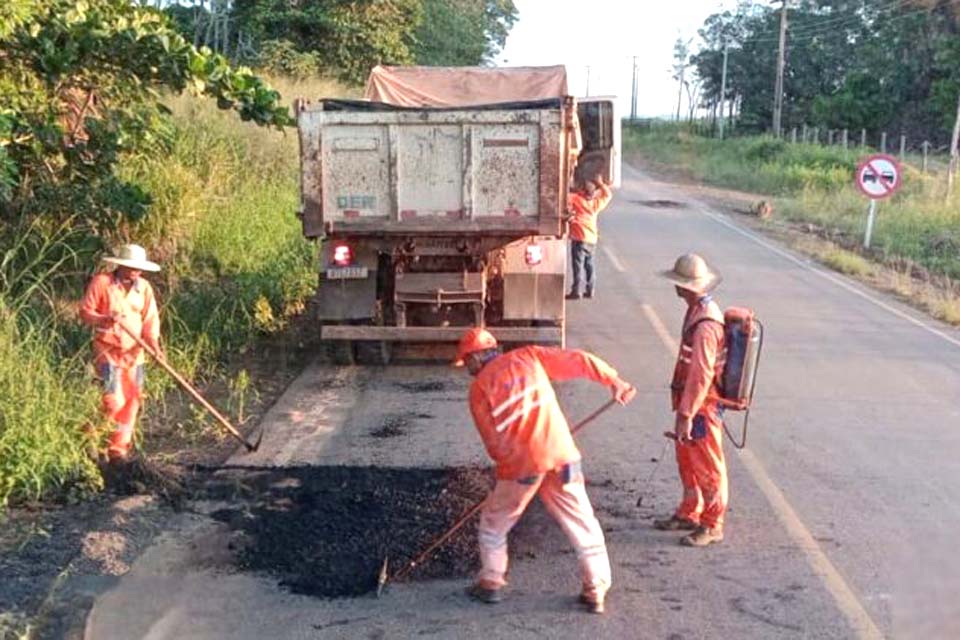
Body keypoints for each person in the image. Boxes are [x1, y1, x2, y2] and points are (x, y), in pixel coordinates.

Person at [454, 328, 635, 614]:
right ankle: (596, 590)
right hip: (562, 455)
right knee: (582, 522)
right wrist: (614, 380)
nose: (467, 368)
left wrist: (507, 474)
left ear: (476, 356)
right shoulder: (528, 357)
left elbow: (493, 444)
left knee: (493, 522)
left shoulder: (478, 390)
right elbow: (579, 359)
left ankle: (490, 582)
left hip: (522, 466)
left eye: (467, 361)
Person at [654, 253, 728, 547]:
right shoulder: (697, 310)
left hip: (702, 406)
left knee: (707, 465)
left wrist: (686, 413)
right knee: (687, 458)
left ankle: (712, 524)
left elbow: (701, 373)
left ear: (685, 286)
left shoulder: (706, 325)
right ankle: (690, 511)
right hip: (691, 402)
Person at [79, 244, 162, 462]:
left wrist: (155, 347)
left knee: (133, 400)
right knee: (114, 401)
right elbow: (85, 312)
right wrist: (104, 319)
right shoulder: (102, 283)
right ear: (120, 265)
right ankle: (91, 437)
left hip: (135, 354)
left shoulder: (143, 288)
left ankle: (118, 448)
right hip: (108, 351)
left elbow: (150, 321)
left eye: (139, 268)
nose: (136, 271)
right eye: (131, 267)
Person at [566, 176, 613, 300]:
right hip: (591, 239)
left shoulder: (577, 199)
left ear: (582, 191)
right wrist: (601, 184)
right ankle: (590, 289)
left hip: (579, 238)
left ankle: (576, 291)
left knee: (578, 266)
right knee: (589, 265)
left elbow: (564, 196)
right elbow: (608, 195)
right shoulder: (596, 204)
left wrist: (569, 182)